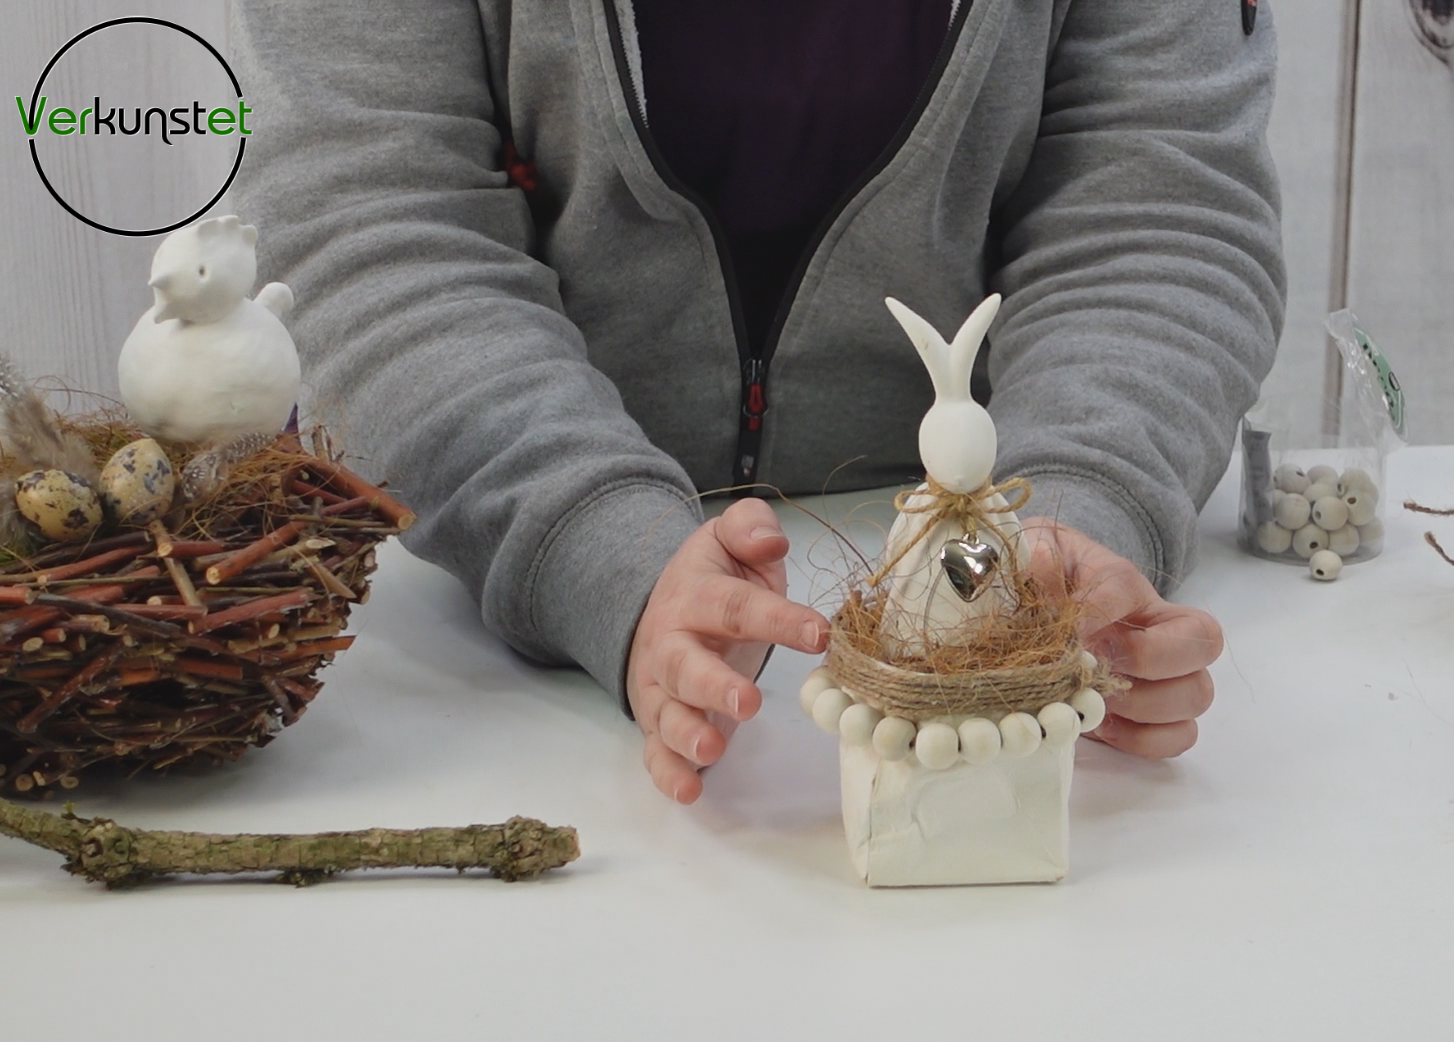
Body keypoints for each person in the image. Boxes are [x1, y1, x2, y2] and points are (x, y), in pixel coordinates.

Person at [230, 0, 1287, 802]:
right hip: (496, 641)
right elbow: (375, 221)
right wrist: (610, 557)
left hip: (951, 596)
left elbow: (1157, 213)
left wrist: (1065, 529)